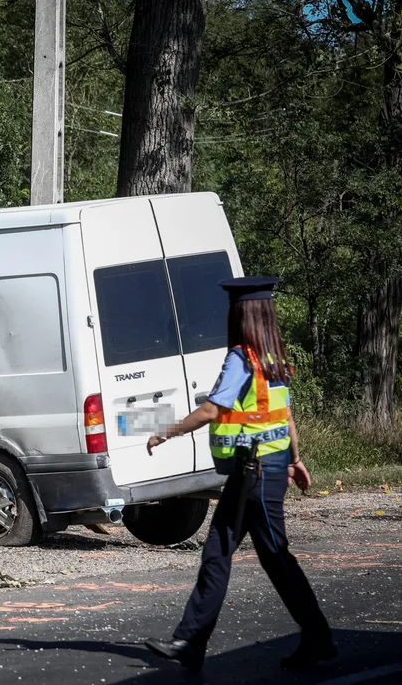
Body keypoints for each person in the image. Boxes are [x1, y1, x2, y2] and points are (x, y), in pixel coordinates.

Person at [142, 276, 334, 672]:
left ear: (241, 315)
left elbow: (214, 409)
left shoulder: (241, 357)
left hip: (256, 472)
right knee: (221, 552)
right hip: (267, 467)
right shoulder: (275, 357)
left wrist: (167, 430)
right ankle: (191, 642)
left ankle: (317, 637)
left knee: (273, 558)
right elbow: (285, 416)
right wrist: (295, 460)